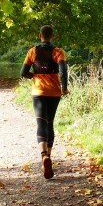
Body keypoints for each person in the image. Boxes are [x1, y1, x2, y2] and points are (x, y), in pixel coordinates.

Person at [20, 24, 68, 179]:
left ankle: (44, 156)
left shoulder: (32, 51)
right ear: (52, 36)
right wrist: (64, 88)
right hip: (54, 93)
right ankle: (49, 155)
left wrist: (35, 76)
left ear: (40, 35)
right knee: (50, 123)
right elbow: (63, 70)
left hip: (38, 92)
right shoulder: (58, 52)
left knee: (41, 123)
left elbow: (23, 73)